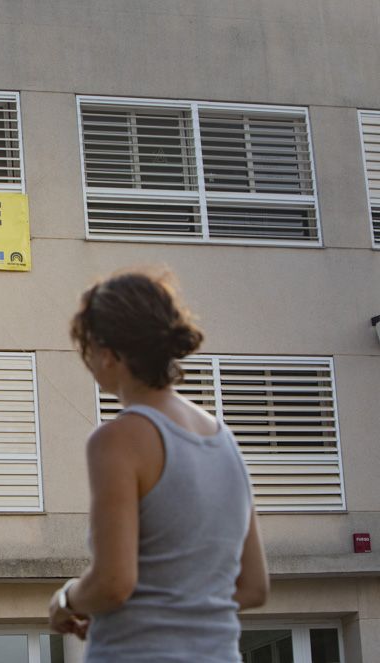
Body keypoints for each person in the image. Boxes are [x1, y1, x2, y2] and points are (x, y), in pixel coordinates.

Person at [48, 270, 269, 661]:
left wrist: (65, 601)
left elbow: (114, 583)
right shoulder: (224, 441)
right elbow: (254, 586)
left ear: (109, 353)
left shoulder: (118, 439)